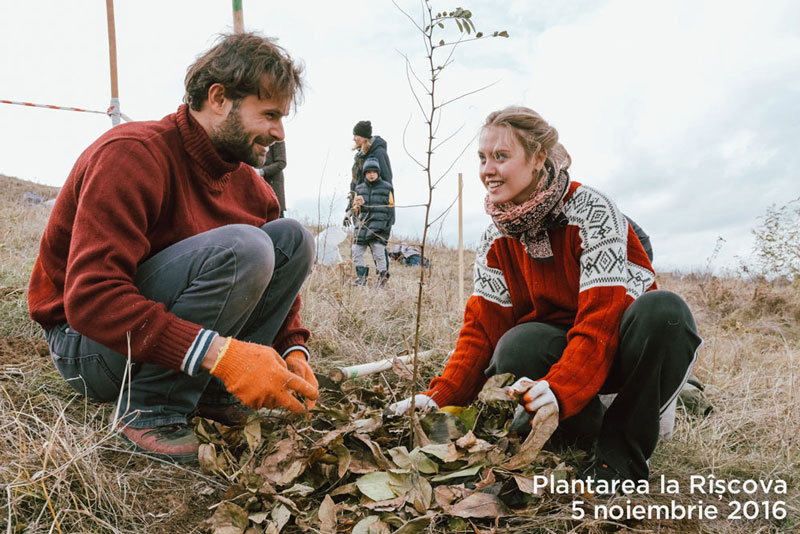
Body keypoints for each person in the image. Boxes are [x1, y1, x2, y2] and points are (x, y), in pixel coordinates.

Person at [27, 33, 319, 464]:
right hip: (88, 345)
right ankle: (150, 407)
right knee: (246, 246)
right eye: (270, 114)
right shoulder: (131, 155)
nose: (278, 132)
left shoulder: (253, 189)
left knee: (294, 238)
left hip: (155, 338)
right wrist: (223, 354)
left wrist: (293, 348)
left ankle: (215, 393)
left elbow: (281, 283)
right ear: (219, 98)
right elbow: (90, 301)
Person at [387, 106, 701, 485]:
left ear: (537, 159)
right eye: (483, 158)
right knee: (516, 344)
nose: (488, 169)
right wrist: (438, 397)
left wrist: (559, 389)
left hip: (622, 352)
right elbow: (481, 333)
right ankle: (584, 431)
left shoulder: (592, 212)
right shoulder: (494, 240)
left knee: (666, 310)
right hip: (565, 360)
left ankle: (620, 458)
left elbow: (601, 324)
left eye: (501, 156)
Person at [350, 157, 394, 287]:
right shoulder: (359, 188)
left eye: (374, 172)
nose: (371, 174)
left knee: (379, 254)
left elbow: (391, 211)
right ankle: (361, 278)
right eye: (368, 172)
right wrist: (357, 208)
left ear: (378, 173)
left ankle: (382, 279)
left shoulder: (387, 188)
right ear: (364, 174)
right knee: (356, 252)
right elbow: (356, 210)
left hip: (379, 229)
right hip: (362, 228)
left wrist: (386, 229)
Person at [257, 140, 287, 217]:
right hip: (257, 191)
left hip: (273, 187)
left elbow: (281, 163)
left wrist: (261, 171)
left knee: (277, 224)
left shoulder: (277, 140)